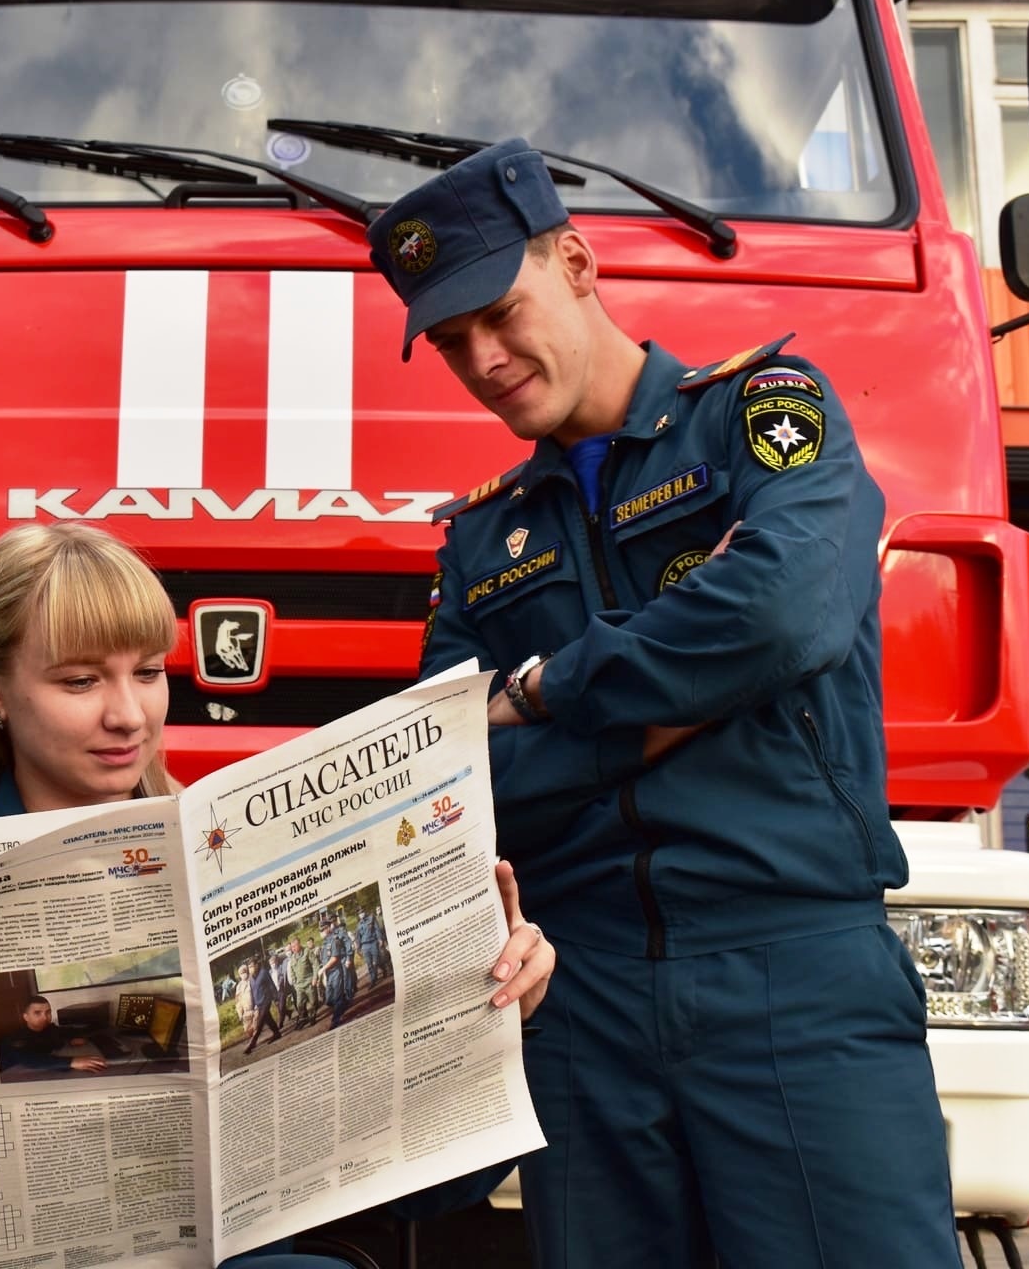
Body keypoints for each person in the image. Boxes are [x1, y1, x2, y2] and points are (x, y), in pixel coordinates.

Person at [367, 138, 956, 1267]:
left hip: (790, 970)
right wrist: (685, 704)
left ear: (579, 263)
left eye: (500, 311)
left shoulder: (754, 416)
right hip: (579, 1006)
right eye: (451, 343)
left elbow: (783, 616)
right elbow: (444, 774)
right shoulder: (479, 536)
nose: (484, 358)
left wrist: (544, 688)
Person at [0, 522, 556, 1269]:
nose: (128, 715)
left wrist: (489, 1019)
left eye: (151, 672)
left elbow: (422, 1196)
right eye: (81, 680)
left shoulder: (245, 863)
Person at [0, 994, 108, 1074]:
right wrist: (72, 1061)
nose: (45, 1017)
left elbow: (67, 1031)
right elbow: (29, 1059)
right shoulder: (17, 1038)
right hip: (6, 1073)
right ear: (26, 1017)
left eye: (48, 1012)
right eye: (37, 1013)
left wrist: (72, 1038)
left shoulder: (48, 1028)